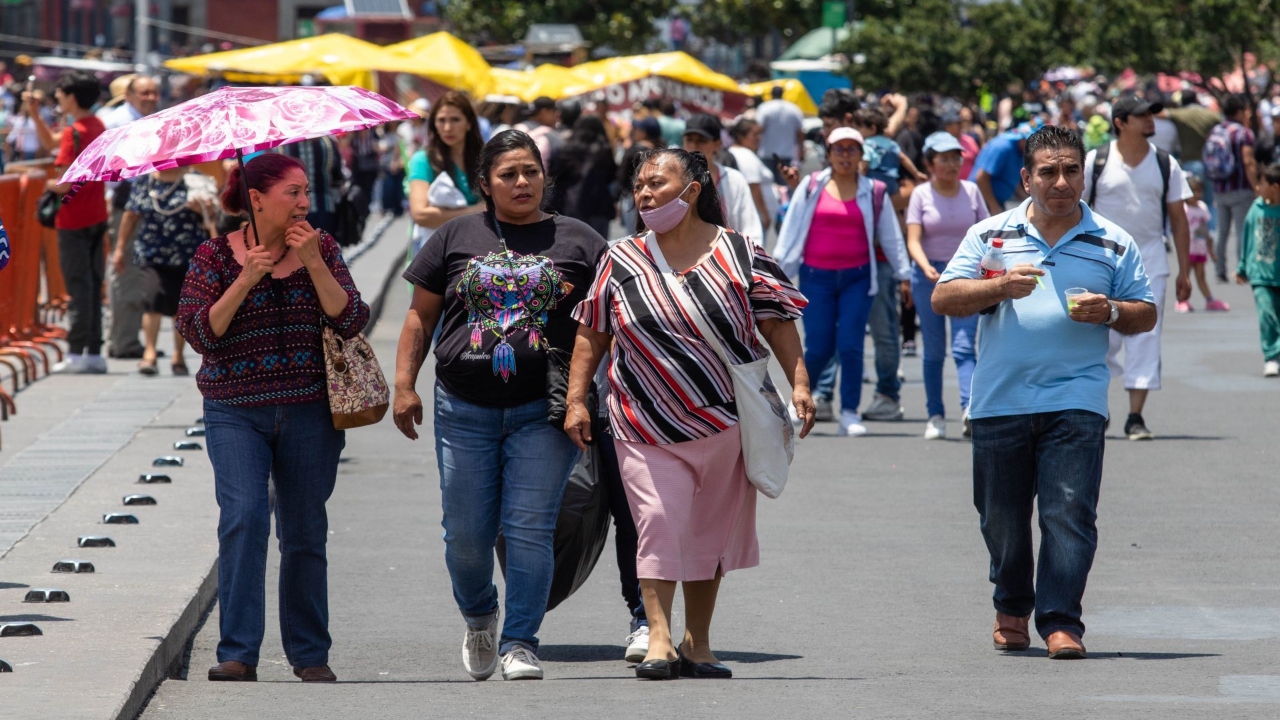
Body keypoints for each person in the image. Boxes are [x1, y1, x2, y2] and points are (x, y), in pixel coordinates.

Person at [563, 147, 813, 680]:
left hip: (724, 421)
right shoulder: (621, 259)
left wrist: (799, 382)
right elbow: (592, 333)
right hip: (640, 420)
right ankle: (657, 636)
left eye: (658, 183)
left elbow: (778, 321)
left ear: (693, 190)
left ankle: (698, 642)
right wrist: (575, 399)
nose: (645, 194)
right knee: (656, 524)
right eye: (640, 186)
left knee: (708, 531)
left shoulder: (742, 253)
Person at [932, 125, 1157, 660]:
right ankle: (1011, 606)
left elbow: (1145, 312)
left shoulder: (1112, 239)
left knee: (1069, 513)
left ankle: (1061, 620)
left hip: (1075, 400)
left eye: (1072, 170)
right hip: (999, 401)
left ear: (1083, 174)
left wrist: (1113, 311)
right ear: (1026, 177)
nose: (1061, 181)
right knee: (1001, 517)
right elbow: (944, 297)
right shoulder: (992, 235)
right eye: (1049, 171)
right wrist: (999, 287)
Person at [392, 130, 606, 682]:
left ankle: (520, 641)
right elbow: (419, 315)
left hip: (545, 411)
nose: (522, 183)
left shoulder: (580, 241)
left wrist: (582, 397)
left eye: (531, 172)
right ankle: (480, 614)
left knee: (529, 527)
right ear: (485, 183)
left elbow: (600, 327)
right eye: (508, 174)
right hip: (464, 408)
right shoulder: (453, 235)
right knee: (466, 534)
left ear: (544, 177)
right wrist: (404, 384)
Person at [175, 153, 370, 683]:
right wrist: (244, 280)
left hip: (310, 409)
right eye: (293, 192)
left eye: (307, 191)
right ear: (257, 199)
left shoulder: (322, 246)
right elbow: (198, 333)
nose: (306, 202)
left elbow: (351, 318)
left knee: (305, 530)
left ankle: (309, 654)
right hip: (235, 409)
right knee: (244, 519)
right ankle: (237, 651)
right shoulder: (214, 255)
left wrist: (312, 264)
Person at [774, 127, 909, 437]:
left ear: (861, 155)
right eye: (839, 149)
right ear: (829, 153)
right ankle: (799, 402)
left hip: (857, 279)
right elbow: (790, 231)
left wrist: (904, 276)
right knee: (818, 347)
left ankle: (849, 412)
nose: (845, 155)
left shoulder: (874, 191)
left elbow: (891, 236)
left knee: (850, 346)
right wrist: (775, 274)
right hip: (815, 277)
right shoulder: (810, 186)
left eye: (852, 149)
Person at [1082, 95, 1193, 441]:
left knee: (1146, 337)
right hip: (1101, 262)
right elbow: (1077, 210)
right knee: (1097, 339)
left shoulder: (1165, 164)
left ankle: (1135, 417)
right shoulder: (1095, 161)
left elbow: (1178, 218)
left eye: (1152, 113)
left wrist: (1184, 270)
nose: (1150, 120)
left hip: (1150, 261)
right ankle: (1097, 410)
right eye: (1141, 115)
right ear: (1120, 122)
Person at [905, 132, 990, 440]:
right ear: (930, 163)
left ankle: (969, 409)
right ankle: (936, 415)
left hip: (966, 275)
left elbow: (988, 233)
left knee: (965, 346)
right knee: (933, 351)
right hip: (928, 275)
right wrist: (924, 264)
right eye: (944, 159)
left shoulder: (971, 191)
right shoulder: (921, 194)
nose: (952, 164)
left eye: (957, 158)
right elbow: (913, 239)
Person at [26, 71, 109, 373]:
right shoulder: (96, 125)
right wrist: (34, 114)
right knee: (94, 285)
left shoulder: (75, 131)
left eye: (60, 94)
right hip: (97, 214)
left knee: (78, 287)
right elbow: (51, 140)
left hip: (73, 219)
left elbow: (63, 183)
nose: (57, 98)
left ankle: (75, 352)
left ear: (71, 96)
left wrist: (46, 185)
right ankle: (95, 351)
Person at [113, 168, 217, 375]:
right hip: (151, 252)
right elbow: (130, 215)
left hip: (187, 253)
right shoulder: (144, 182)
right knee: (152, 299)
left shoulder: (194, 179)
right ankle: (149, 354)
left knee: (181, 306)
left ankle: (178, 354)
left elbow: (212, 217)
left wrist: (202, 209)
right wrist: (119, 249)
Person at [102, 75, 161, 361]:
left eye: (154, 92)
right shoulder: (120, 121)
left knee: (136, 274)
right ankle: (123, 341)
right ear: (129, 95)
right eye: (144, 92)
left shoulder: (144, 119)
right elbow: (117, 170)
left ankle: (128, 339)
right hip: (127, 206)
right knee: (125, 271)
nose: (150, 97)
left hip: (139, 205)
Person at [407, 91, 485, 257]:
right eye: (441, 120)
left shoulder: (485, 158)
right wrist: (476, 211)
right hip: (436, 251)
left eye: (455, 120)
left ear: (469, 123)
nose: (448, 127)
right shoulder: (423, 160)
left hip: (479, 248)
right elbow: (420, 214)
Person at [681, 114, 763, 245]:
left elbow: (750, 227)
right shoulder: (675, 179)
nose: (694, 145)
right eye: (689, 140)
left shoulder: (733, 180)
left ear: (717, 144)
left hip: (725, 258)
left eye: (702, 140)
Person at [1207, 93, 1259, 282]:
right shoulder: (1243, 132)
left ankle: (1219, 270)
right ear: (1238, 111)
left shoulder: (1216, 130)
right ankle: (1241, 270)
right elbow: (1248, 161)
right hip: (1240, 188)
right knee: (1242, 231)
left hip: (1220, 187)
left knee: (1222, 231)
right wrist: (1256, 187)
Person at [1235, 162, 1280, 377]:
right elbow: (1247, 238)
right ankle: (1271, 356)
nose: (1258, 188)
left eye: (1262, 184)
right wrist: (1243, 266)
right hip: (1261, 276)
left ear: (1275, 187)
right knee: (1266, 316)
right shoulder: (1256, 208)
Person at [549, 115, 617, 239]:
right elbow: (611, 176)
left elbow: (555, 177)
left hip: (571, 206)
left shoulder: (565, 149)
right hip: (599, 207)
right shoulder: (603, 150)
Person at [1177, 175, 1228, 313]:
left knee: (1201, 276)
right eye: (1193, 192)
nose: (1197, 195)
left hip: (1200, 249)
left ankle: (1210, 300)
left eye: (1199, 191)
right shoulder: (1183, 209)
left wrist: (1211, 252)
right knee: (1185, 276)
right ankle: (1181, 301)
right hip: (1188, 250)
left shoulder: (1203, 208)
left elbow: (1206, 232)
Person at [279, 134, 344, 237]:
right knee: (326, 248)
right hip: (324, 206)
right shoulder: (328, 142)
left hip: (294, 212)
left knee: (298, 249)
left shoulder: (283, 146)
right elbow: (338, 177)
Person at [971, 122, 1038, 215]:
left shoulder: (1021, 151)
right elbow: (981, 178)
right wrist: (993, 206)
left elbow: (1011, 180)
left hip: (997, 202)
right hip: (982, 202)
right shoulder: (1002, 147)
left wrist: (1031, 201)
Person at [727, 117, 777, 236]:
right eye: (754, 134)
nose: (758, 138)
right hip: (755, 218)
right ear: (741, 136)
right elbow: (753, 186)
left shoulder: (735, 152)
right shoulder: (745, 155)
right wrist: (765, 214)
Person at [618, 116, 663, 232]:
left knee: (634, 234)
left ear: (644, 133)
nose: (634, 132)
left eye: (637, 129)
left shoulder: (633, 150)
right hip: (656, 198)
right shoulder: (663, 151)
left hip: (633, 198)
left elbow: (621, 175)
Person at [755, 85, 805, 185]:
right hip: (786, 154)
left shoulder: (764, 108)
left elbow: (758, 129)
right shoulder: (793, 109)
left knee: (768, 186)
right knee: (785, 186)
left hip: (767, 153)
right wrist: (801, 152)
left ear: (771, 94)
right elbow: (800, 133)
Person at [515, 96, 560, 172]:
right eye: (554, 113)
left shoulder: (515, 129)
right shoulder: (551, 136)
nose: (556, 117)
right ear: (544, 112)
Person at [942, 109, 980, 180]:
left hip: (969, 184)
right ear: (948, 127)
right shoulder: (941, 143)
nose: (960, 125)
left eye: (960, 123)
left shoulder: (969, 140)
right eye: (956, 124)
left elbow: (978, 161)